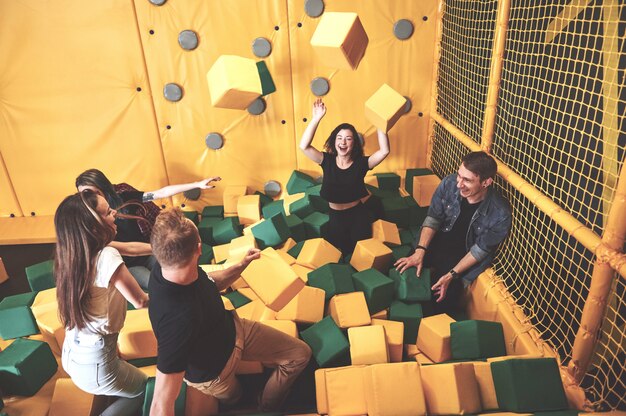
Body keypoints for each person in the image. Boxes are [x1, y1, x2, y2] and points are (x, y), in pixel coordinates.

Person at [147, 208, 312, 415]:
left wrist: (241, 265)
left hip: (234, 329)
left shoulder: (169, 266)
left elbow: (210, 282)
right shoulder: (177, 321)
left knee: (300, 354)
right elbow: (161, 403)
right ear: (199, 249)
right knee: (236, 398)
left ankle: (267, 407)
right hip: (214, 373)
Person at [54, 190, 150, 416]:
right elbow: (140, 300)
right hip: (96, 362)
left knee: (126, 386)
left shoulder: (74, 252)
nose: (115, 213)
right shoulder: (106, 255)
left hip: (73, 354)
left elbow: (131, 248)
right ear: (94, 225)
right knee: (146, 390)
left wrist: (167, 249)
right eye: (108, 212)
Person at [394, 151, 512, 315]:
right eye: (459, 176)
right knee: (403, 279)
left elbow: (479, 251)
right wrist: (419, 251)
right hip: (434, 242)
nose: (459, 184)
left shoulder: (500, 213)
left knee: (437, 306)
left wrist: (451, 276)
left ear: (486, 182)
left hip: (460, 260)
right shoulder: (449, 183)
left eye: (467, 180)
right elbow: (433, 218)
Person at [75, 168, 220, 289]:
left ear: (103, 189)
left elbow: (161, 193)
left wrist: (196, 184)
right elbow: (128, 249)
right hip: (130, 264)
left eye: (92, 193)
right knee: (156, 283)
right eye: (84, 195)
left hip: (146, 252)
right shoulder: (88, 220)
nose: (89, 199)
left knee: (177, 270)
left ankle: (207, 287)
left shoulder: (123, 197)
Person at [299, 98, 390, 256]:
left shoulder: (362, 163)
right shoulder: (325, 160)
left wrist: (380, 123)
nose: (343, 142)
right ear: (334, 141)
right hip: (335, 217)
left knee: (361, 257)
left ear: (354, 143)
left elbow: (384, 151)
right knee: (340, 255)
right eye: (339, 138)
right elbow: (304, 146)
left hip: (358, 217)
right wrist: (316, 118)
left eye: (348, 139)